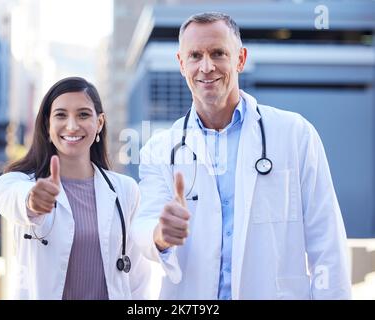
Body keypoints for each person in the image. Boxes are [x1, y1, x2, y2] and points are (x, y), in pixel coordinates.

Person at [131, 12, 351, 299]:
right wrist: (161, 233)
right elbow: (144, 224)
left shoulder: (295, 134)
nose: (206, 67)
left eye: (218, 53)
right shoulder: (160, 150)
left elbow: (327, 241)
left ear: (240, 59)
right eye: (195, 56)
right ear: (181, 64)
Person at [0, 77, 151, 300]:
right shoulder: (22, 184)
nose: (72, 125)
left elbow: (137, 278)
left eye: (83, 114)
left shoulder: (126, 190)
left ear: (100, 123)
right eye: (61, 115)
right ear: (48, 125)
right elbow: (4, 193)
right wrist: (31, 201)